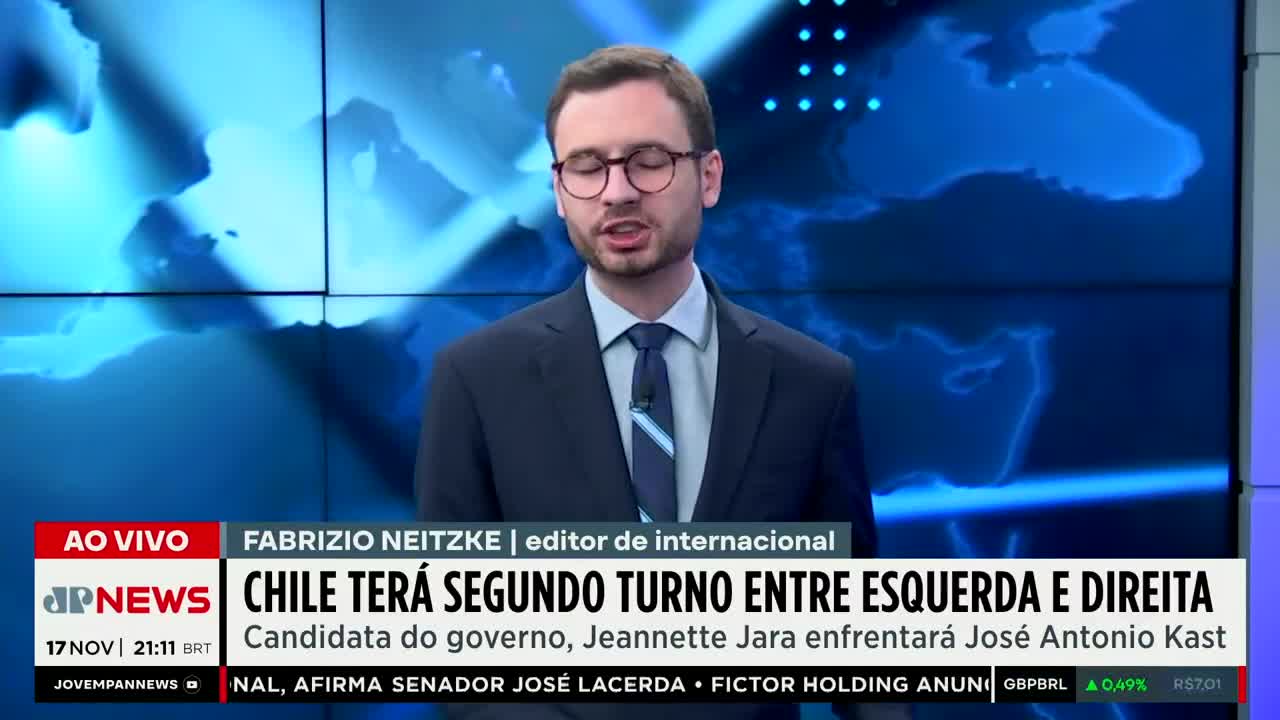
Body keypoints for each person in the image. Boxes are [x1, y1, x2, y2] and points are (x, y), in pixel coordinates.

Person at [416, 44, 903, 720]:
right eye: (587, 166)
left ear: (709, 176)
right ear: (559, 191)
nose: (617, 191)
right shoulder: (476, 380)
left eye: (647, 160)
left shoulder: (813, 385)